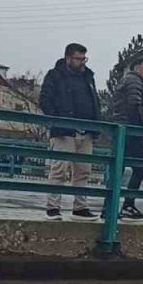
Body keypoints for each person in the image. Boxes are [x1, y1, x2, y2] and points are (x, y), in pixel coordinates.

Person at [39, 42, 101, 221]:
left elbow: (94, 100)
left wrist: (96, 124)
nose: (82, 62)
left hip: (86, 130)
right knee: (59, 169)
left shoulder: (88, 76)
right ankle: (53, 207)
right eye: (78, 59)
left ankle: (80, 207)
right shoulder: (55, 75)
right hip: (63, 131)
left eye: (84, 59)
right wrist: (56, 120)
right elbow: (45, 99)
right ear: (68, 58)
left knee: (83, 171)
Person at [111, 58, 143, 221]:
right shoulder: (135, 82)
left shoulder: (126, 80)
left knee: (117, 167)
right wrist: (140, 125)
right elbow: (134, 105)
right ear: (136, 69)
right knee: (139, 168)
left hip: (121, 127)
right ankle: (128, 204)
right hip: (129, 129)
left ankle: (110, 205)